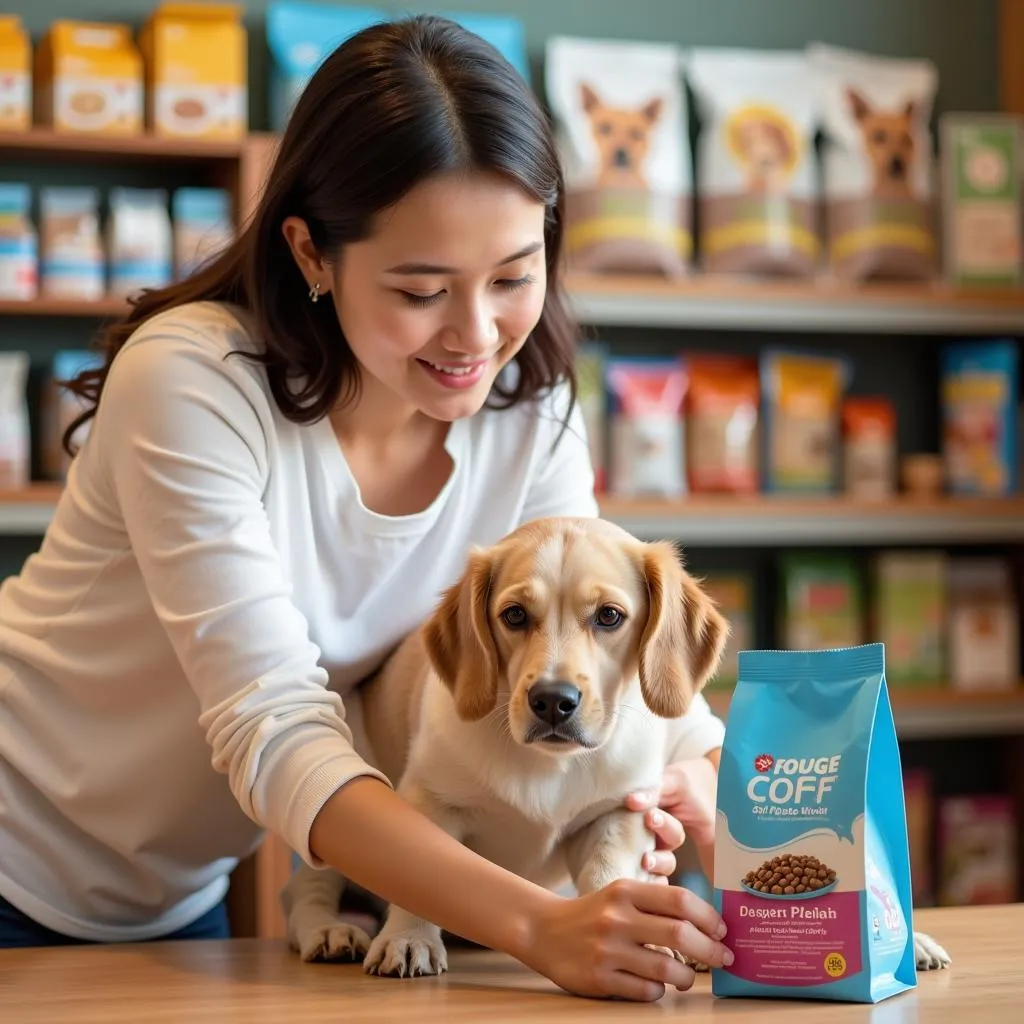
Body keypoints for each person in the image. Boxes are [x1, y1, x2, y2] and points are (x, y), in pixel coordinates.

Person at [0, 15, 732, 1001]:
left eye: (514, 275)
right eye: (421, 287)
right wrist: (534, 926)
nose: (477, 334)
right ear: (310, 251)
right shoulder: (192, 380)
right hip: (18, 838)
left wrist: (713, 789)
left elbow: (619, 658)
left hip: (176, 900)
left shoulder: (530, 408)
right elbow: (276, 727)